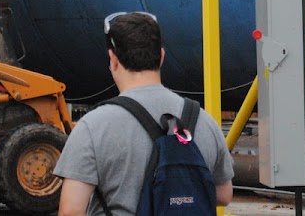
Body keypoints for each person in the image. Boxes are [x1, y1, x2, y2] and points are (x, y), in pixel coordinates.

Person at [55, 12, 234, 216]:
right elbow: (224, 194)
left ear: (113, 60)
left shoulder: (93, 126)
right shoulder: (202, 120)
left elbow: (71, 210)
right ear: (161, 56)